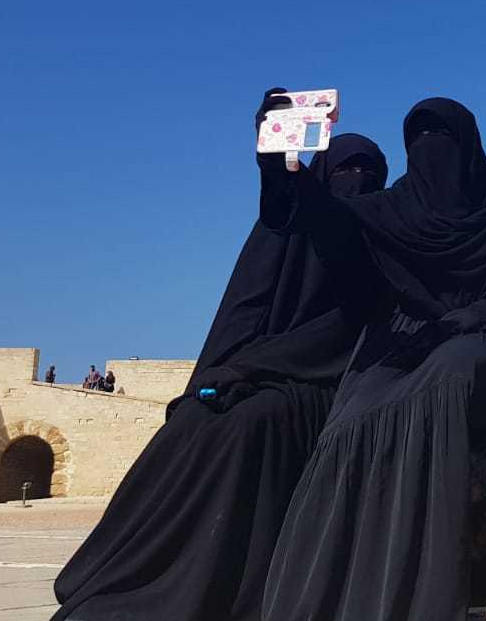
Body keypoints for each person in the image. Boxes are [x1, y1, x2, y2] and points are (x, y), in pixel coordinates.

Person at [50, 124, 389, 621]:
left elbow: (343, 333)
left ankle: (206, 585)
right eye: (345, 170)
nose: (357, 181)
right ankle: (114, 573)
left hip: (322, 384)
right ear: (322, 173)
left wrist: (253, 368)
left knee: (251, 424)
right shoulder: (288, 230)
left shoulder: (376, 244)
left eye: (369, 174)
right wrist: (224, 372)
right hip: (256, 372)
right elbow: (246, 304)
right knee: (191, 423)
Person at [260, 97, 486, 621]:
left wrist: (456, 323)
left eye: (441, 137)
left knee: (448, 375)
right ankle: (322, 598)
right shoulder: (390, 210)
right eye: (418, 138)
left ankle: (419, 594)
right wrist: (280, 157)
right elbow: (322, 216)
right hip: (407, 344)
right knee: (352, 413)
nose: (428, 149)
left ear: (468, 147)